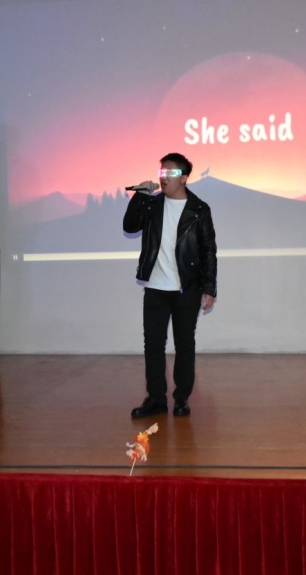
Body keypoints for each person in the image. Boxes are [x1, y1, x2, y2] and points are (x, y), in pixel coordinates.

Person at [123, 153, 217, 418]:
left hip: (187, 288)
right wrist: (140, 196)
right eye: (161, 172)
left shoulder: (199, 209)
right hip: (156, 288)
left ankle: (182, 398)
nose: (163, 177)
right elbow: (130, 226)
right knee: (153, 345)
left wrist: (209, 287)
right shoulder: (152, 205)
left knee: (184, 344)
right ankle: (156, 399)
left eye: (170, 173)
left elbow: (208, 250)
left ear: (184, 178)